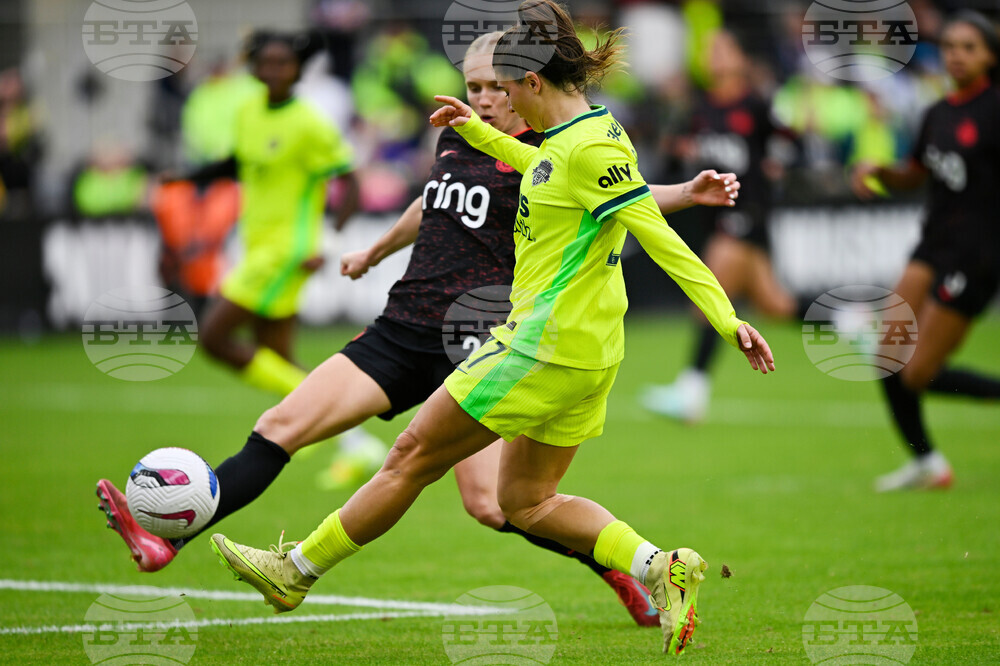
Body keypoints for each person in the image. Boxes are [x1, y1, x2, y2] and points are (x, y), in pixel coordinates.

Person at [96, 30, 742, 628]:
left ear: (526, 84)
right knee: (279, 427)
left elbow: (624, 196)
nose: (484, 98)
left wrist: (686, 195)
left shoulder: (556, 147)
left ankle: (619, 566)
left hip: (481, 336)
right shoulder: (461, 135)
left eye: (495, 86)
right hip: (405, 324)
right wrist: (376, 250)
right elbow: (433, 198)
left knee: (492, 503)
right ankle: (171, 536)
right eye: (474, 85)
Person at [850, 11, 1000, 492]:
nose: (956, 55)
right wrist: (880, 171)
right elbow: (915, 173)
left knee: (917, 374)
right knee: (886, 356)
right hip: (933, 244)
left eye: (969, 47)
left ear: (990, 56)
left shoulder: (994, 110)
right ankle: (927, 463)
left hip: (978, 255)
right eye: (950, 46)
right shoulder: (937, 113)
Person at [642, 29, 804, 423]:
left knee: (707, 290)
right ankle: (850, 319)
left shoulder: (757, 104)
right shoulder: (698, 109)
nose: (713, 55)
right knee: (776, 304)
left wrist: (779, 162)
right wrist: (678, 150)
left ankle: (691, 391)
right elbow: (671, 156)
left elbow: (793, 144)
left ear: (740, 58)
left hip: (747, 213)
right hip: (714, 218)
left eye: (722, 48)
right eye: (708, 49)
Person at [193, 31, 360, 397]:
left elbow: (351, 183)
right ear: (253, 68)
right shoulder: (247, 112)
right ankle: (343, 424)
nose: (273, 71)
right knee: (275, 355)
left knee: (213, 338)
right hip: (256, 244)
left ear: (298, 70)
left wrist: (329, 243)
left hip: (287, 251)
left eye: (283, 63)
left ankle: (329, 411)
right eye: (265, 63)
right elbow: (237, 163)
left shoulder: (309, 123)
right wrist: (185, 177)